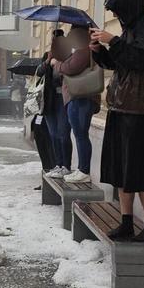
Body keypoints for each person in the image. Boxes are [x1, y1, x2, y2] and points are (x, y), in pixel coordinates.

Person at [90, 0, 144, 243]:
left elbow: (141, 60)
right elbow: (121, 63)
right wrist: (100, 52)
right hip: (121, 106)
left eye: (117, 10)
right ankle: (125, 222)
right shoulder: (132, 28)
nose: (115, 16)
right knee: (121, 168)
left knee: (140, 169)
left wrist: (114, 41)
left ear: (128, 6)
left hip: (140, 110)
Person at [50, 26, 101, 183]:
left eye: (73, 34)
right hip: (77, 97)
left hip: (81, 97)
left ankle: (84, 170)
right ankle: (81, 169)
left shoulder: (83, 50)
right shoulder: (80, 49)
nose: (70, 36)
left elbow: (69, 68)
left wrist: (56, 64)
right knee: (79, 134)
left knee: (80, 134)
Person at [36, 30, 72, 179]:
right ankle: (57, 164)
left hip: (63, 99)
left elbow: (70, 73)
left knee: (63, 133)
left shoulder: (70, 56)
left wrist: (59, 64)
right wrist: (47, 61)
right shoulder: (48, 56)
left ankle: (66, 165)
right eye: (53, 41)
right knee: (53, 134)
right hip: (50, 100)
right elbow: (39, 72)